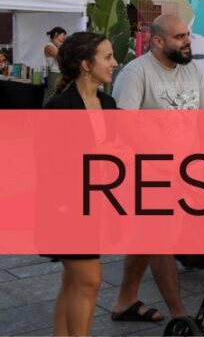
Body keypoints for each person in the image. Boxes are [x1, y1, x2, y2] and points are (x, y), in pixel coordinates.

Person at [109, 15, 204, 324]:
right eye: (180, 37)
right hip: (147, 174)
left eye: (187, 35)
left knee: (147, 237)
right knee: (159, 238)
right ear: (157, 41)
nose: (187, 41)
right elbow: (123, 125)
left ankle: (125, 301)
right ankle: (180, 316)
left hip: (187, 171)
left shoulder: (191, 69)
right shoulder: (136, 72)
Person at [44, 32, 118, 337]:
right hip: (66, 210)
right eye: (107, 57)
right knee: (89, 282)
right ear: (86, 65)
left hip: (96, 206)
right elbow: (50, 169)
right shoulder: (59, 108)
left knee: (73, 282)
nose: (114, 63)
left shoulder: (108, 103)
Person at [43, 27, 67, 99]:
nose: (63, 39)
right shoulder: (49, 46)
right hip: (55, 75)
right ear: (56, 34)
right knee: (53, 97)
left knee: (60, 97)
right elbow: (61, 58)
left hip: (61, 74)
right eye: (62, 36)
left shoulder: (58, 47)